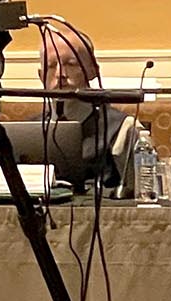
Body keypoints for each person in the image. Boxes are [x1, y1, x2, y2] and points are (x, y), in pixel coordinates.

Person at [38, 25, 137, 193]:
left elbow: (140, 192)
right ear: (41, 76)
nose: (60, 74)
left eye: (71, 64)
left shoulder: (121, 128)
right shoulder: (29, 128)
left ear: (93, 71)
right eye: (51, 65)